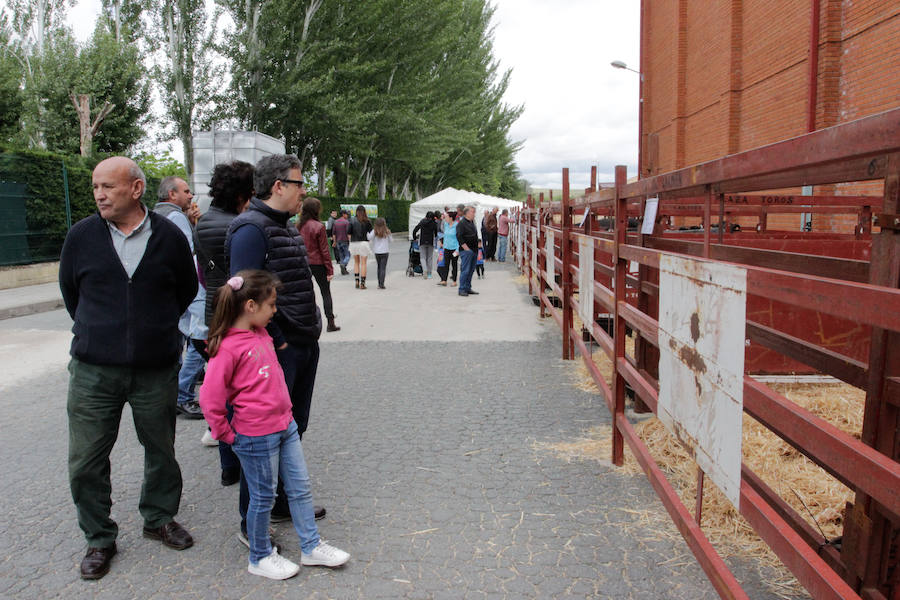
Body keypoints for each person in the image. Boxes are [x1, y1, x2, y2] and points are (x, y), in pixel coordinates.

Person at [59, 156, 198, 580]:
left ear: (136, 189)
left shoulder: (170, 237)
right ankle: (99, 538)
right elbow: (71, 293)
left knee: (161, 449)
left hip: (155, 368)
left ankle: (158, 518)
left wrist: (153, 333)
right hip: (93, 371)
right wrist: (101, 333)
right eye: (95, 186)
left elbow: (186, 288)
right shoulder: (81, 236)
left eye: (109, 186)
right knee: (85, 460)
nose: (99, 194)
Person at [199, 270, 350, 580]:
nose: (275, 310)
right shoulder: (228, 347)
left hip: (285, 426)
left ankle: (311, 546)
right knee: (263, 497)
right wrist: (227, 434)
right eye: (271, 304)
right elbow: (211, 398)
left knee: (300, 488)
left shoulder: (261, 333)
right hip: (256, 435)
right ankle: (260, 555)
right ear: (251, 306)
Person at [226, 153, 326, 536]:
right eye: (300, 184)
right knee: (263, 439)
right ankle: (252, 526)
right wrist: (279, 342)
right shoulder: (251, 229)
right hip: (278, 352)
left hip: (302, 343)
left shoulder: (283, 226)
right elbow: (244, 298)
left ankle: (282, 502)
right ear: (279, 186)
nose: (304, 192)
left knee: (292, 428)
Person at [195, 160, 254, 485]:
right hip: (237, 317)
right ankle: (243, 460)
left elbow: (204, 275)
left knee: (227, 391)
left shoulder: (202, 222)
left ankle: (228, 465)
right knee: (244, 393)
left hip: (212, 312)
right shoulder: (239, 225)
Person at [154, 176, 206, 420]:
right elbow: (189, 253)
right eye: (186, 191)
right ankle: (183, 394)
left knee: (180, 338)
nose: (190, 195)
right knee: (199, 334)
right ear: (172, 194)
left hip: (165, 291)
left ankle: (173, 392)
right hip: (186, 288)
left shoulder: (155, 215)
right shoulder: (175, 217)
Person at [297, 197, 340, 332]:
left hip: (303, 262)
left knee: (305, 293)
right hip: (318, 263)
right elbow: (324, 250)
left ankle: (306, 321)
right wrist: (329, 269)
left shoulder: (298, 226)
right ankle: (330, 322)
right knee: (325, 292)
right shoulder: (319, 226)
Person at [456, 205, 479, 297]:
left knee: (471, 270)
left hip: (474, 250)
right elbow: (459, 237)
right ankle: (461, 289)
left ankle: (467, 288)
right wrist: (466, 248)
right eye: (473, 212)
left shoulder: (472, 222)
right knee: (465, 270)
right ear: (467, 213)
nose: (474, 214)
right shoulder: (461, 223)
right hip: (466, 251)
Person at [348, 205, 373, 289]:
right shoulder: (367, 221)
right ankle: (363, 283)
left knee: (356, 263)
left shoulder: (351, 220)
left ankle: (356, 281)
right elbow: (371, 233)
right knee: (363, 263)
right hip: (363, 243)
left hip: (354, 243)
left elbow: (349, 233)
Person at [412, 210, 438, 279]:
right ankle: (429, 273)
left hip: (422, 241)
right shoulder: (434, 223)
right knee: (429, 258)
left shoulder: (422, 222)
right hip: (430, 242)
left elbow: (415, 229)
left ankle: (425, 271)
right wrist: (435, 236)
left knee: (422, 257)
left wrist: (414, 237)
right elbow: (436, 233)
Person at [367, 217, 391, 289]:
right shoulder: (387, 231)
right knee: (383, 268)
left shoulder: (374, 231)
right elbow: (391, 240)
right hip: (385, 251)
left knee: (379, 267)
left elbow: (369, 238)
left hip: (377, 252)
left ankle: (379, 283)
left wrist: (367, 232)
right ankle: (382, 284)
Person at [437, 211, 459, 287]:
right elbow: (441, 225)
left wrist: (457, 250)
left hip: (454, 249)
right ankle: (444, 280)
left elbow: (459, 239)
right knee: (445, 265)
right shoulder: (446, 224)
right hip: (446, 248)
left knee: (454, 265)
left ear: (451, 218)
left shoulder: (457, 226)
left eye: (446, 217)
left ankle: (454, 281)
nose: (445, 218)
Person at [332, 210, 350, 275]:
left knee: (341, 256)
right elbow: (348, 233)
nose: (347, 216)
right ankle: (343, 264)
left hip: (338, 241)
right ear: (343, 214)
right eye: (347, 214)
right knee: (347, 255)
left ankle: (344, 271)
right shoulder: (346, 222)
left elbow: (334, 234)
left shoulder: (335, 222)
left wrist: (334, 242)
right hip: (345, 241)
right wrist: (350, 241)